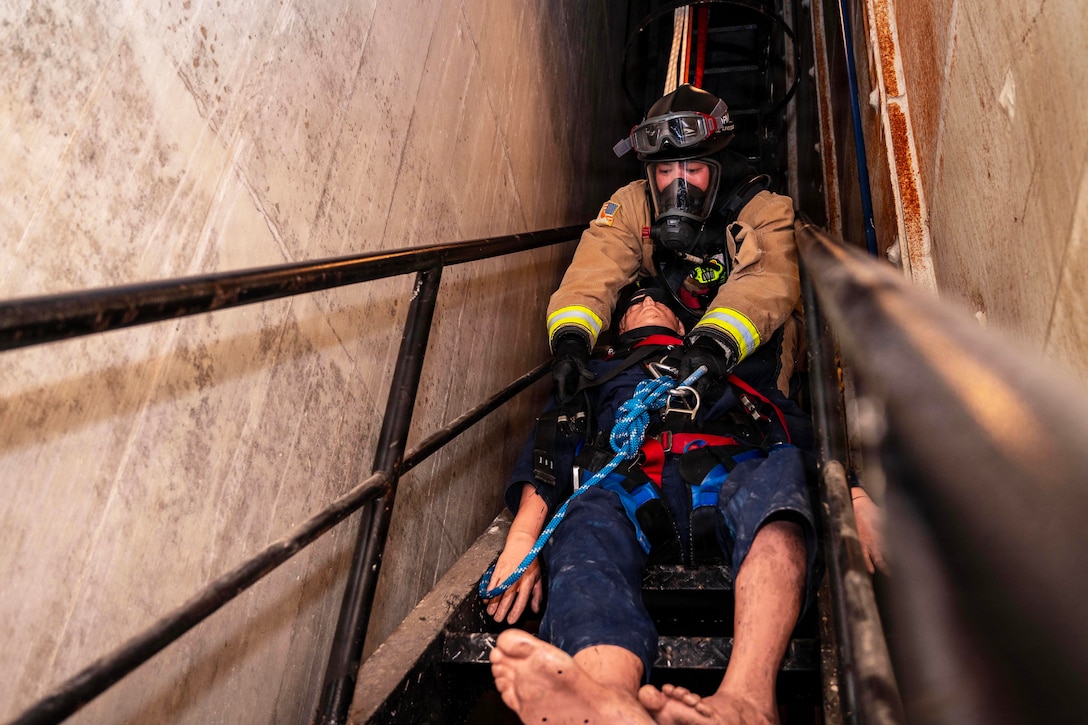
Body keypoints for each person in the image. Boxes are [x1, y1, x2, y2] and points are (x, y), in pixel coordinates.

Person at [484, 289, 823, 725]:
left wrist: (854, 496)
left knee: (783, 473)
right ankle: (609, 699)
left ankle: (747, 703)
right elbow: (550, 451)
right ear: (617, 330)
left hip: (728, 473)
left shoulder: (726, 367)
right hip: (628, 484)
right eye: (632, 304)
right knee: (582, 517)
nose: (644, 300)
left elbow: (795, 434)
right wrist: (522, 543)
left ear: (682, 326)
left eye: (658, 301)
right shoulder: (593, 376)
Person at [547, 84, 803, 413]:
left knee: (755, 408)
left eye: (692, 170)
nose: (676, 186)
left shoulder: (764, 211)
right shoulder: (631, 205)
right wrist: (571, 339)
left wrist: (714, 344)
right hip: (667, 328)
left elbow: (767, 282)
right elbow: (595, 269)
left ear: (719, 165)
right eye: (665, 172)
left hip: (740, 338)